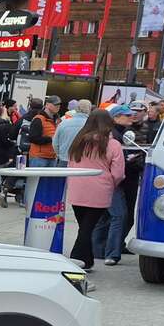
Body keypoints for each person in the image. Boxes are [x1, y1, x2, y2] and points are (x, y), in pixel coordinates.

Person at [65, 109, 125, 272]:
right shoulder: (113, 144)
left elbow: (70, 163)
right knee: (87, 227)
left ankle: (87, 259)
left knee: (84, 226)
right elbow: (118, 173)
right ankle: (76, 259)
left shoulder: (78, 142)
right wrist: (111, 183)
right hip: (100, 189)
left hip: (76, 187)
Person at [92, 105, 139, 266]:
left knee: (105, 217)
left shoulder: (115, 134)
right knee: (119, 216)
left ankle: (98, 250)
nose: (131, 117)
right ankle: (111, 253)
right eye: (127, 115)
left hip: (106, 181)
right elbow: (115, 165)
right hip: (112, 182)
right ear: (115, 117)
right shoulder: (112, 138)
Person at [26, 95, 62, 167]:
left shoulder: (58, 120)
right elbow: (32, 138)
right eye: (55, 104)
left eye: (59, 105)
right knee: (36, 175)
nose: (58, 106)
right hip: (39, 157)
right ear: (47, 104)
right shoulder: (38, 119)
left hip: (52, 157)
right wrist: (51, 139)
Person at [53, 100, 91, 168]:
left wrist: (60, 155)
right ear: (89, 110)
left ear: (76, 109)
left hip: (63, 160)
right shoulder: (92, 126)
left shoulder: (63, 123)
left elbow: (55, 143)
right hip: (82, 162)